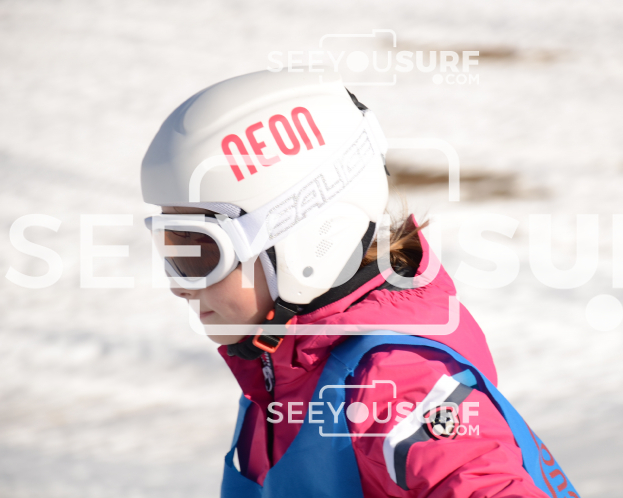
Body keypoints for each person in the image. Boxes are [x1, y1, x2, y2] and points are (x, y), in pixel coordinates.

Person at [140, 70, 580, 498]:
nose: (180, 285)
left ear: (305, 244)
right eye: (172, 249)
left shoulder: (394, 385)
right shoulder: (281, 366)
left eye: (202, 252)